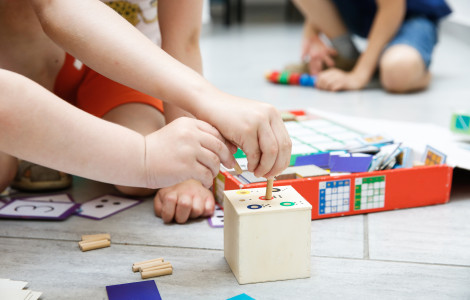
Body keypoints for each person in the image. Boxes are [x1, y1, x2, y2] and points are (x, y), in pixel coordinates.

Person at [0, 0, 292, 221]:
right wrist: (209, 100)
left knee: (144, 178)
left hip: (117, 70)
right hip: (22, 60)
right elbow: (59, 7)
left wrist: (189, 173)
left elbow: (182, 43)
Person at [291, 0, 452, 93]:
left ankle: (418, 72)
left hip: (413, 16)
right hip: (363, 11)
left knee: (398, 72)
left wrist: (358, 76)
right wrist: (312, 32)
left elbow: (392, 7)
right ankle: (349, 58)